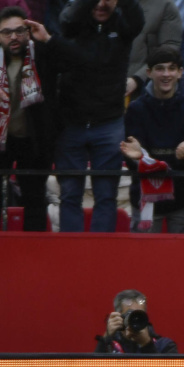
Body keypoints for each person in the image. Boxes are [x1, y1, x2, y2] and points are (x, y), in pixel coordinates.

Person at [55, 0, 144, 232]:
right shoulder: (75, 23)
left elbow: (137, 20)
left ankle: (102, 251)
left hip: (109, 122)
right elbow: (66, 22)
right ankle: (70, 249)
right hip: (71, 121)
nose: (101, 4)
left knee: (106, 195)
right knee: (69, 195)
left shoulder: (123, 25)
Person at [123, 46, 184, 233]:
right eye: (160, 68)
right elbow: (130, 153)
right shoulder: (135, 109)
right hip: (145, 196)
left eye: (171, 68)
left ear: (180, 73)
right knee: (143, 252)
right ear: (149, 73)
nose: (166, 74)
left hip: (183, 197)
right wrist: (136, 156)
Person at [0, 8, 65, 231]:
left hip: (35, 140)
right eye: (6, 32)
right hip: (2, 138)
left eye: (19, 31)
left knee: (35, 200)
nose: (14, 37)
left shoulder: (42, 54)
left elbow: (72, 63)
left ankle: (34, 249)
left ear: (28, 32)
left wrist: (48, 39)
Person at [125, 0, 181, 99]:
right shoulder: (109, 5)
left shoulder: (165, 6)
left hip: (147, 88)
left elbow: (170, 49)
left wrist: (138, 78)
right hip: (109, 84)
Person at [94, 289, 179, 353]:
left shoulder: (164, 346)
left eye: (139, 315)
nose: (134, 319)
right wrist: (105, 339)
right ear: (118, 317)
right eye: (129, 314)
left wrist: (147, 344)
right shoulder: (110, 346)